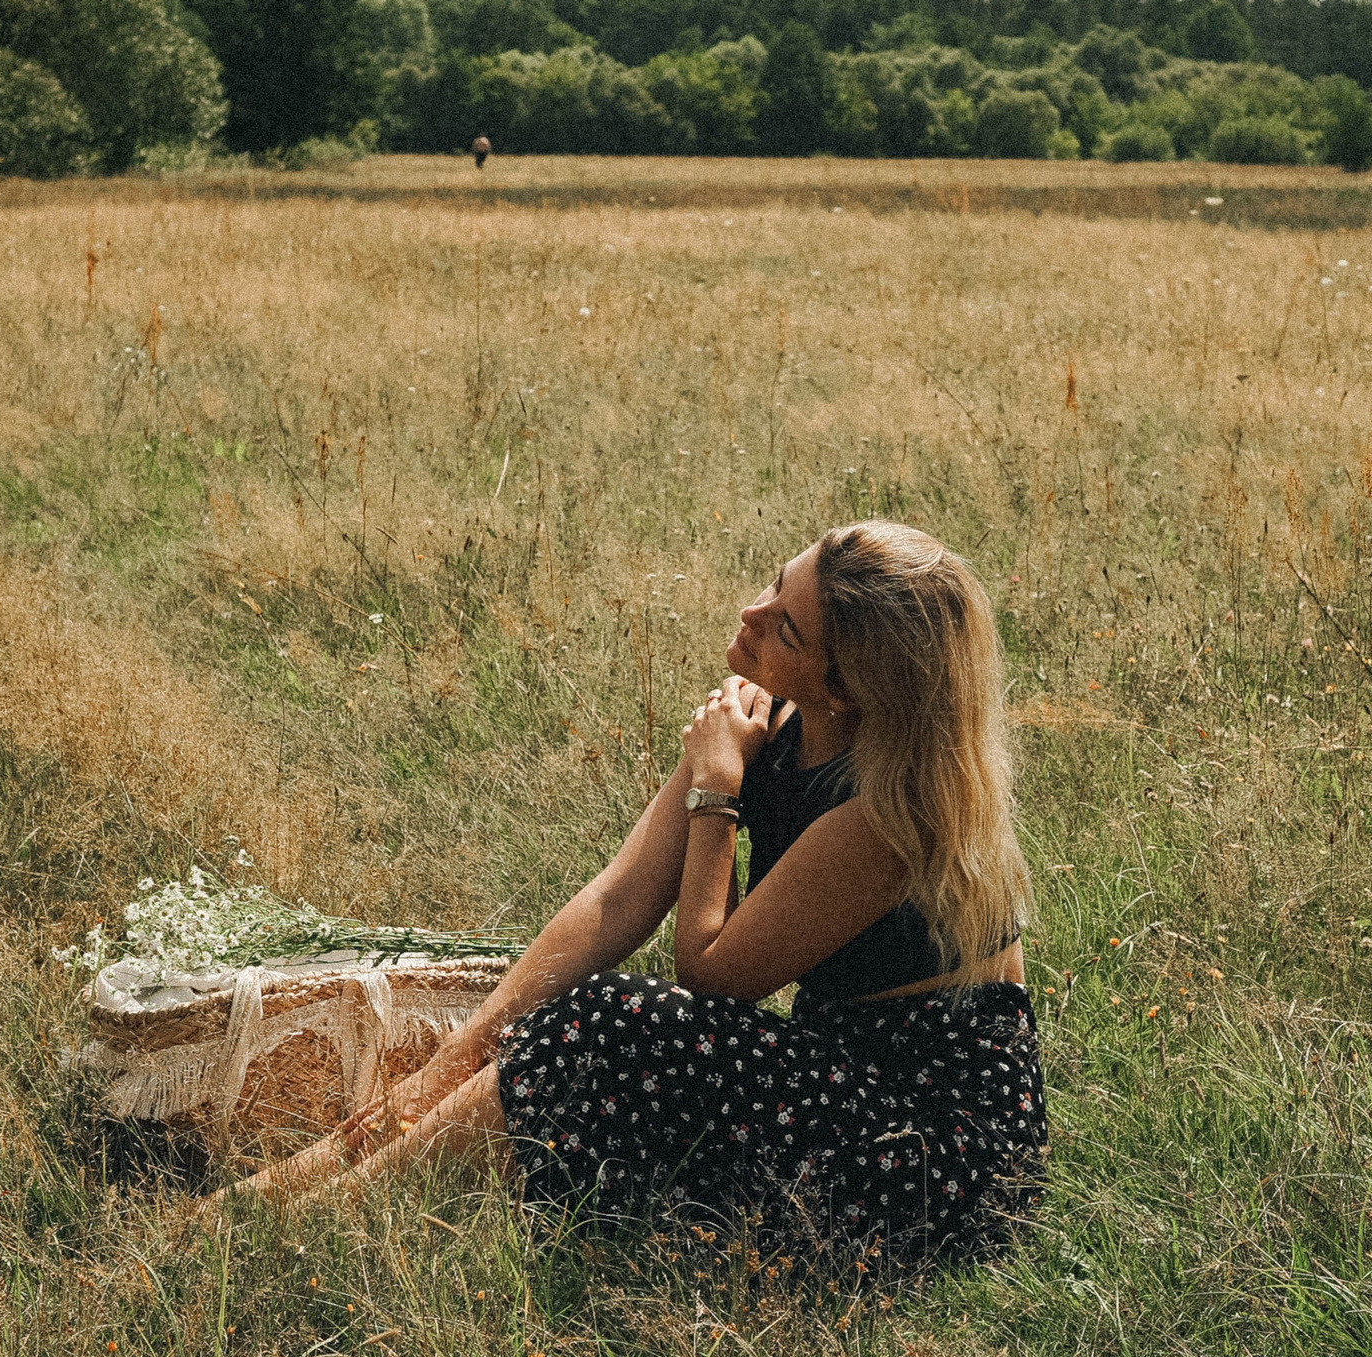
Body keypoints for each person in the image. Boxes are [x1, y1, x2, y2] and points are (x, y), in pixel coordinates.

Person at [222, 520, 1047, 1267]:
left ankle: (326, 1221)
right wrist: (452, 1057)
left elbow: (713, 976)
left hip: (931, 1154)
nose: (750, 612)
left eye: (785, 625)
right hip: (836, 1080)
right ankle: (286, 1196)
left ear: (847, 690)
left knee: (620, 1025)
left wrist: (719, 787)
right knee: (571, 1015)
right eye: (772, 582)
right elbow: (617, 900)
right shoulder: (773, 717)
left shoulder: (887, 816)